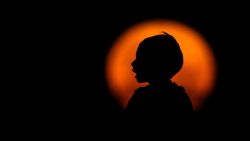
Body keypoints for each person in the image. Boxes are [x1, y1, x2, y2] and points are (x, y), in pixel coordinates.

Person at [126, 32, 193, 123]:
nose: (133, 63)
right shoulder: (181, 98)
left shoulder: (141, 99)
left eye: (141, 58)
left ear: (156, 64)